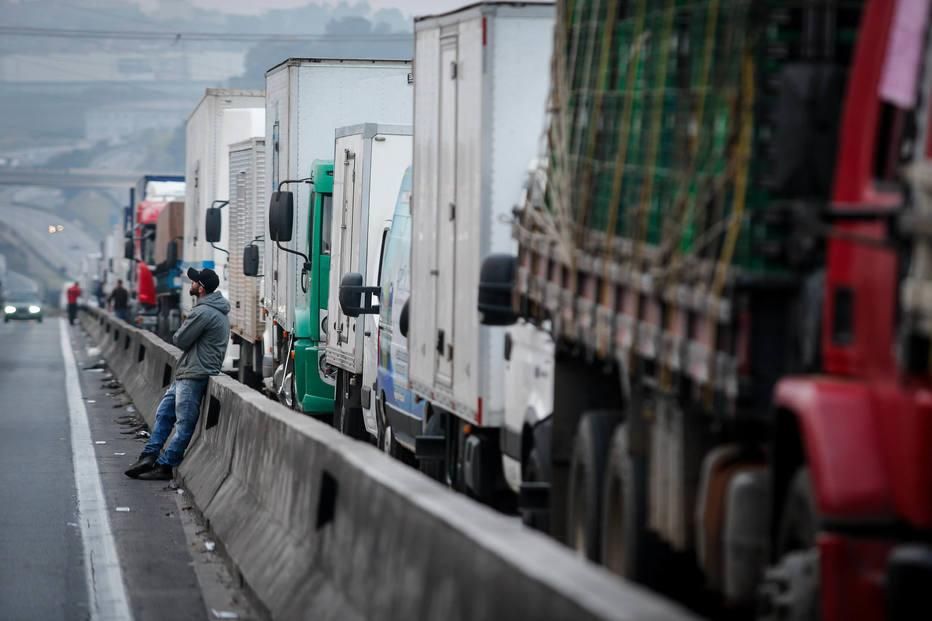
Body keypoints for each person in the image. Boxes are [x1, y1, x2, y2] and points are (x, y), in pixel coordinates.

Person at [125, 268, 229, 481]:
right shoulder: (209, 310)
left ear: (201, 288)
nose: (190, 284)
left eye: (193, 282)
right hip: (188, 371)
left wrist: (185, 326)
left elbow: (180, 339)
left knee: (183, 424)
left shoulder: (204, 312)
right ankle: (149, 455)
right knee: (164, 414)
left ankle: (165, 466)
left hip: (194, 373)